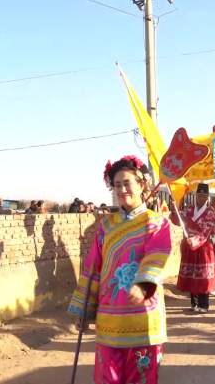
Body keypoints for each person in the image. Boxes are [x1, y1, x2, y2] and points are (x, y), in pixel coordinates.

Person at [67, 155, 171, 384]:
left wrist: (144, 285)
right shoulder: (105, 226)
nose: (122, 189)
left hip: (144, 319)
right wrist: (85, 309)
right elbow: (93, 268)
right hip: (109, 319)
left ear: (141, 184)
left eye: (127, 183)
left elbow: (157, 255)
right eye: (117, 185)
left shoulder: (156, 222)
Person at [171, 184, 215, 313]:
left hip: (203, 247)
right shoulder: (190, 209)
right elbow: (178, 220)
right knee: (191, 275)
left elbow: (206, 230)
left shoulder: (210, 212)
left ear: (207, 197)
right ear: (196, 196)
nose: (201, 198)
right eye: (199, 195)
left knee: (203, 276)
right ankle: (194, 303)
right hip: (189, 246)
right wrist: (174, 209)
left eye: (204, 196)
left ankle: (204, 304)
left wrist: (194, 240)